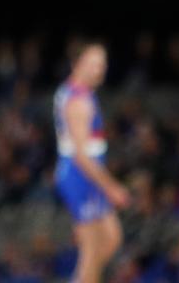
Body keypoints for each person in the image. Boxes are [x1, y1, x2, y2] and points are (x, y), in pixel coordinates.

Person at [53, 42, 130, 283]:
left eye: (102, 63)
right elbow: (81, 155)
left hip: (85, 175)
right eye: (94, 63)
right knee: (92, 249)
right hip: (80, 176)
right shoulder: (79, 102)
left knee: (111, 239)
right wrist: (111, 186)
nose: (100, 69)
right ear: (77, 64)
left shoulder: (77, 92)